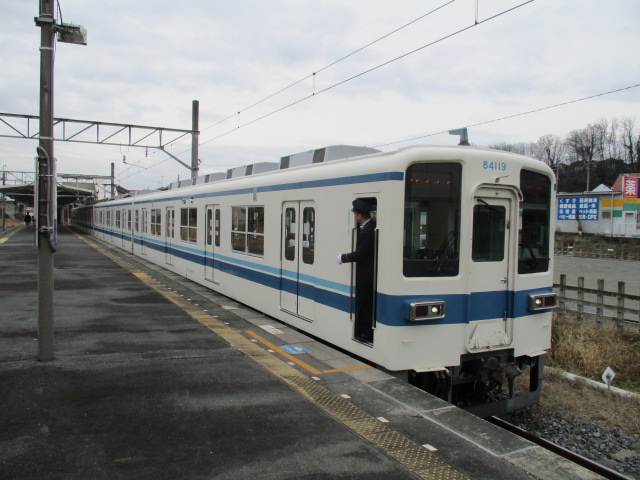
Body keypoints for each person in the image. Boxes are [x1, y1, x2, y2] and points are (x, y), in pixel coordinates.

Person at [337, 199, 376, 343]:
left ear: (359, 216)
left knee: (365, 305)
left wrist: (343, 257)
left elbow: (360, 254)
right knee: (364, 304)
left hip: (366, 277)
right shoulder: (371, 227)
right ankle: (364, 331)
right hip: (368, 276)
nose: (354, 217)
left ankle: (367, 333)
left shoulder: (368, 232)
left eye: (355, 214)